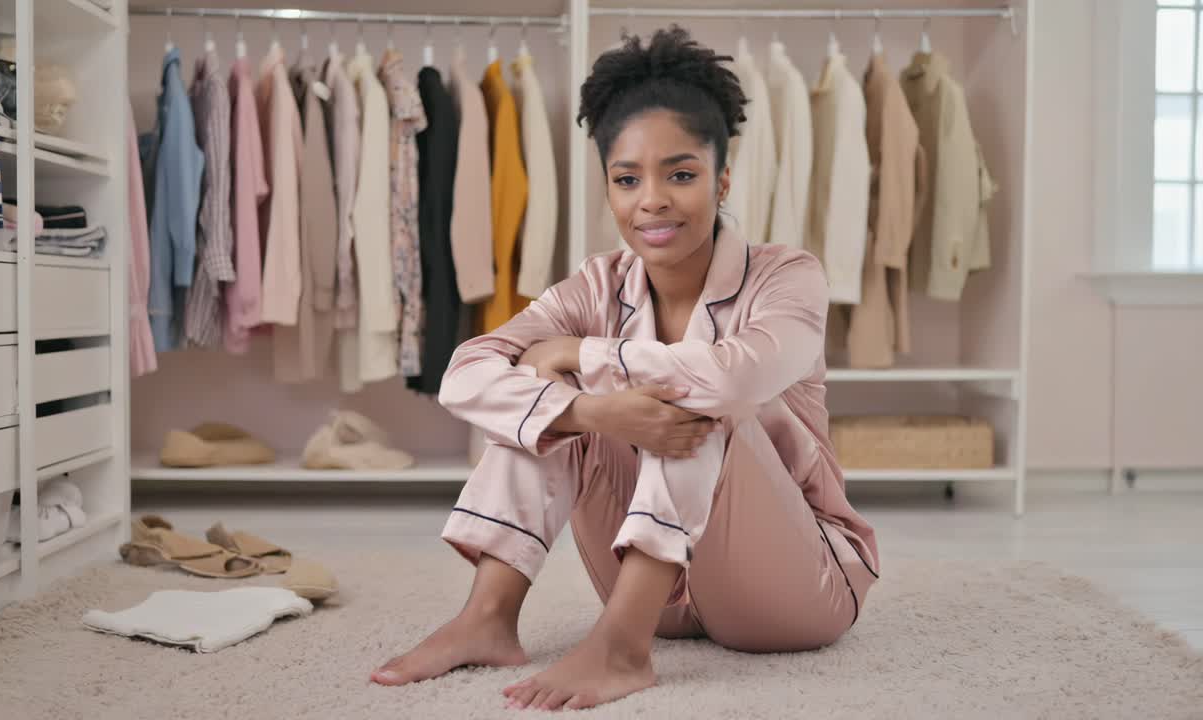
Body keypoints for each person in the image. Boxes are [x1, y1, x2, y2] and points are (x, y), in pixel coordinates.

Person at [370, 26, 880, 711]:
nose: (652, 201)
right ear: (608, 187)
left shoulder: (789, 277)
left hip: (797, 587)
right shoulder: (594, 285)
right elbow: (466, 372)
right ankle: (488, 617)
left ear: (721, 179)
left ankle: (621, 650)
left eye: (681, 174)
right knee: (549, 398)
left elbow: (730, 380)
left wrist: (585, 355)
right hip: (662, 594)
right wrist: (590, 409)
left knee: (697, 395)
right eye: (627, 179)